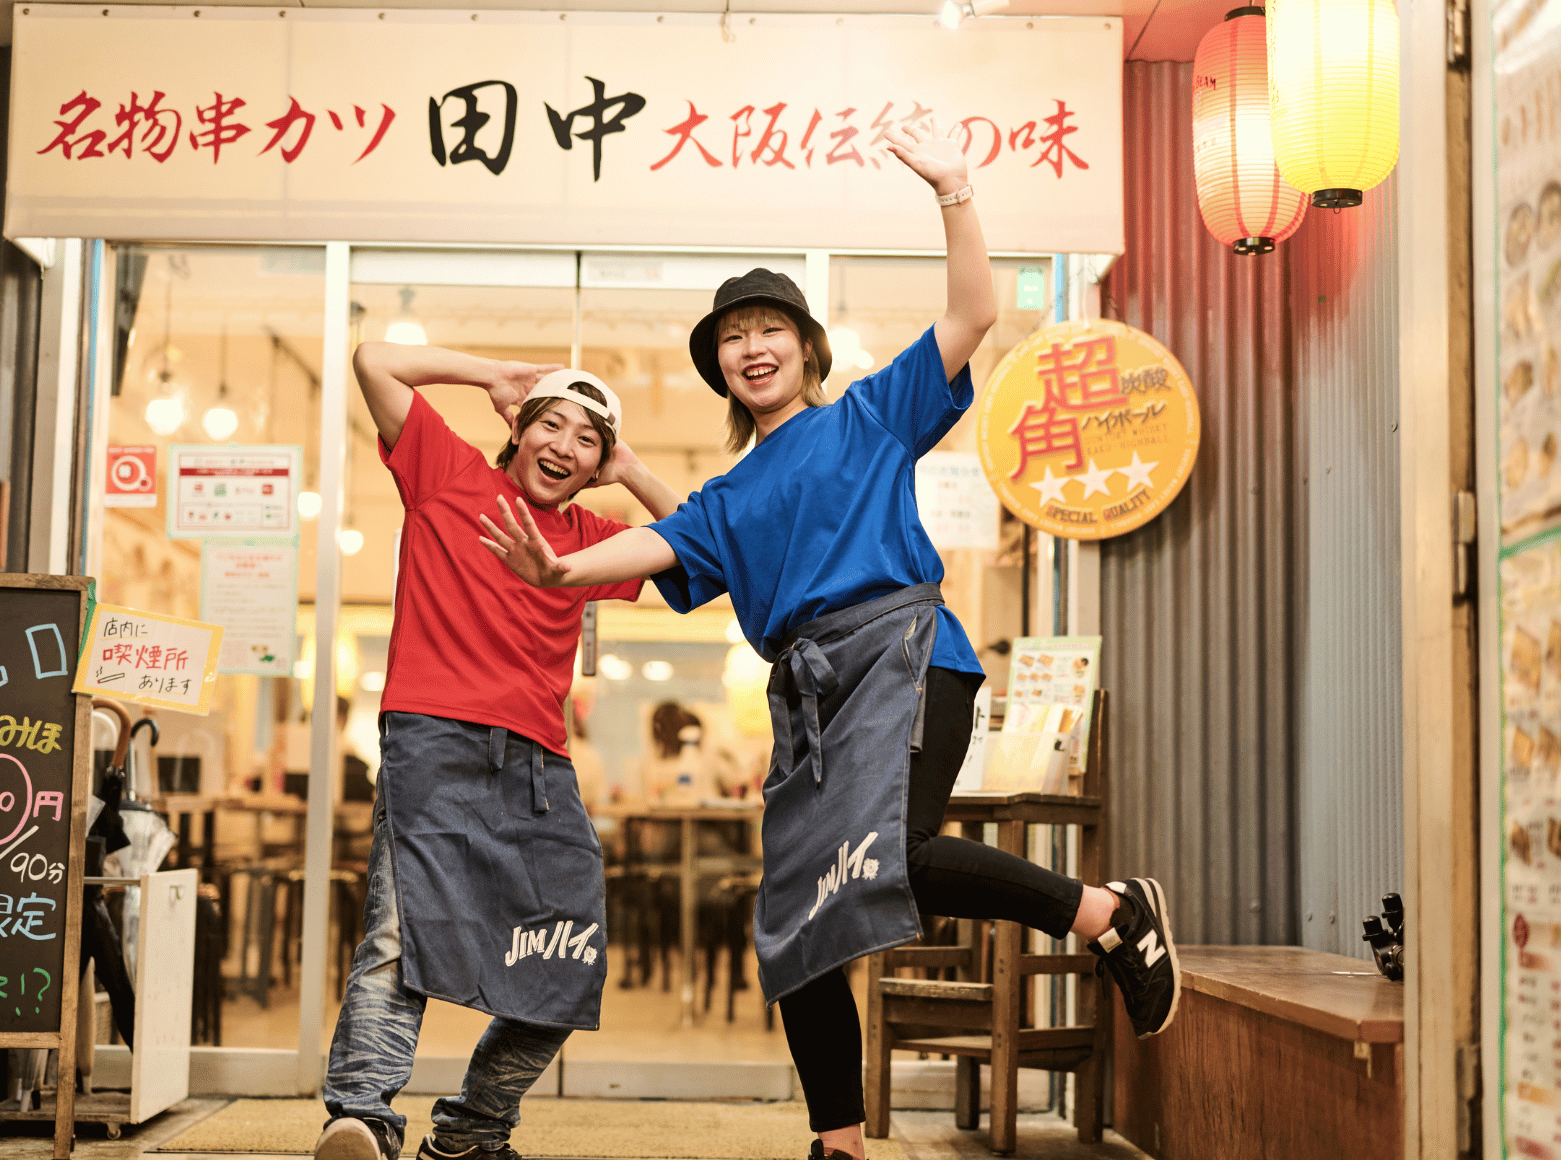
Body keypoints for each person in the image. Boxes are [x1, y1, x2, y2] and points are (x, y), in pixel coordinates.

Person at [479, 120, 1180, 1160]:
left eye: (770, 327)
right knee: (799, 917)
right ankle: (838, 1144)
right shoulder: (725, 497)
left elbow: (973, 312)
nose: (751, 346)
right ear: (721, 369)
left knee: (891, 856)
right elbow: (664, 541)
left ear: (807, 348)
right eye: (732, 337)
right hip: (809, 702)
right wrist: (559, 568)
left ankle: (1107, 911)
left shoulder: (868, 416)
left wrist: (953, 189)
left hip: (906, 660)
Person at [314, 343, 680, 1160]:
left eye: (587, 440)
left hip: (541, 766)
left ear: (595, 466)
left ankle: (472, 1131)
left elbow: (710, 546)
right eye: (551, 425)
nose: (564, 446)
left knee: (569, 952)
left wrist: (630, 468)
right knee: (399, 935)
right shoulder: (447, 473)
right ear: (517, 430)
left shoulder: (587, 539)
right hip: (432, 740)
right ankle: (361, 1118)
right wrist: (488, 375)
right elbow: (374, 361)